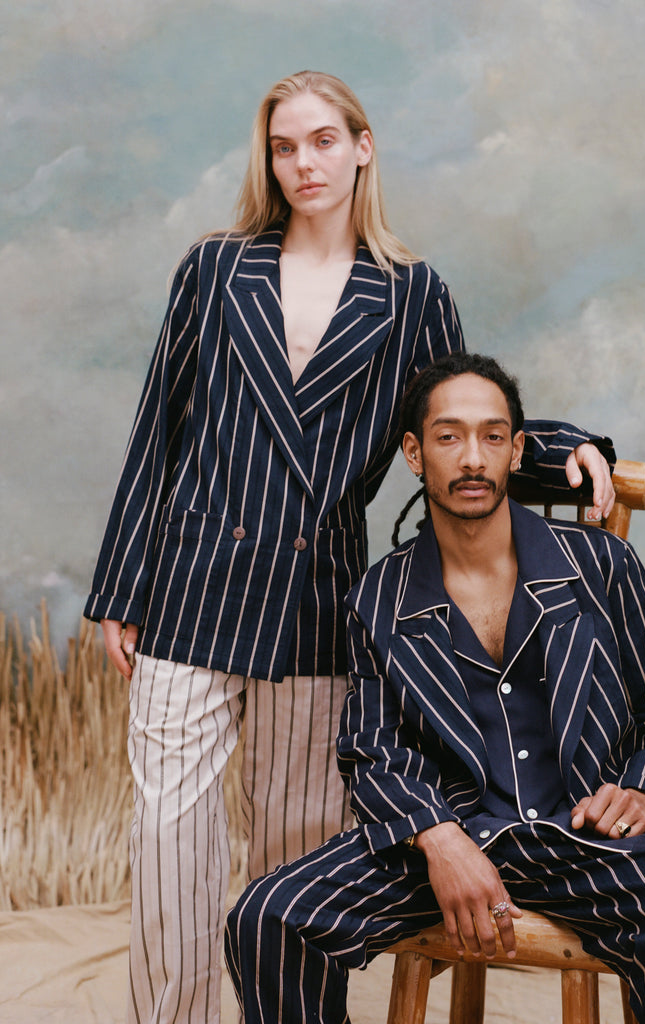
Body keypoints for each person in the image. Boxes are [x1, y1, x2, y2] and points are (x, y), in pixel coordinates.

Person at [84, 74, 616, 1023]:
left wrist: (573, 447)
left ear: (363, 148)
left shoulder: (412, 292)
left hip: (316, 601)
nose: (304, 165)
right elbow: (156, 431)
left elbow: (459, 420)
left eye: (324, 142)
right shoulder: (213, 269)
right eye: (286, 148)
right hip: (187, 587)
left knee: (294, 848)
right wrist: (119, 589)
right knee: (171, 846)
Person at [225, 352, 645, 1024]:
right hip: (456, 837)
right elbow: (372, 749)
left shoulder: (601, 565)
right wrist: (438, 839)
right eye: (449, 437)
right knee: (269, 917)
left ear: (517, 451)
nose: (472, 459)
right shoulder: (380, 597)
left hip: (589, 834)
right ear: (415, 456)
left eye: (491, 436)